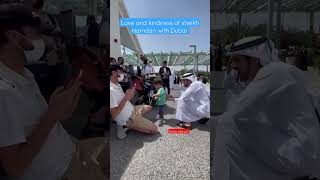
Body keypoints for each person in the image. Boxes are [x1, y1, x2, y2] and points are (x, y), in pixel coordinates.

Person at [0, 4, 106, 180]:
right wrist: (52, 115)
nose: (45, 42)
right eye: (37, 35)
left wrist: (57, 113)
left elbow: (36, 127)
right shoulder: (4, 93)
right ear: (13, 37)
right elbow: (15, 169)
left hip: (74, 150)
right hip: (63, 171)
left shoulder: (23, 73)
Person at [213, 36, 320, 180]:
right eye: (232, 60)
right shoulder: (277, 72)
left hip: (301, 154)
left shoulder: (273, 72)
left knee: (228, 126)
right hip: (300, 150)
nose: (233, 66)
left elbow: (237, 112)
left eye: (237, 60)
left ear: (255, 59)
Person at [110, 64, 158, 139]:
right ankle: (126, 125)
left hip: (132, 109)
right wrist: (126, 98)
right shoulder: (111, 90)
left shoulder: (117, 84)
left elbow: (122, 101)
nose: (123, 74)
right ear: (114, 73)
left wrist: (128, 96)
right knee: (154, 130)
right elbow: (114, 115)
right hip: (127, 117)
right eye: (120, 71)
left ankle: (135, 120)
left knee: (149, 107)